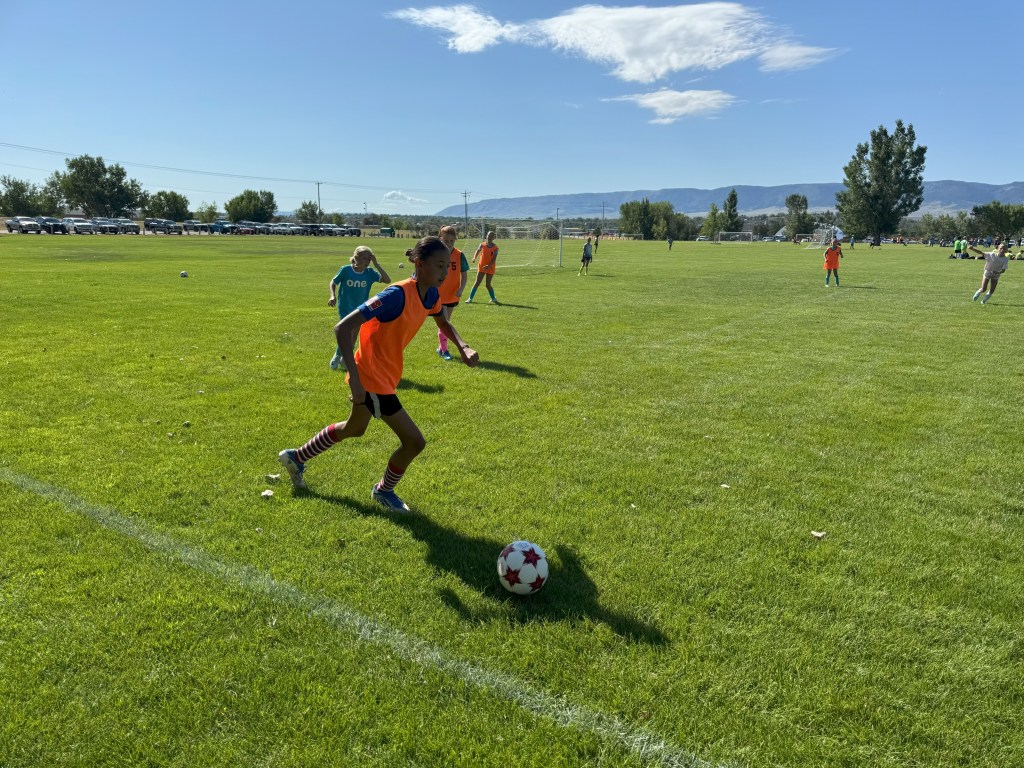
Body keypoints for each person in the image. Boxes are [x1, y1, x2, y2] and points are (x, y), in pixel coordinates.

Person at [279, 237, 479, 510]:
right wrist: (356, 381)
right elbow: (343, 328)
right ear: (419, 264)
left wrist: (463, 346)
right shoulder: (395, 295)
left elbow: (443, 322)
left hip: (385, 374)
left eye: (447, 266)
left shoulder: (431, 294)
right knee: (414, 442)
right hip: (371, 376)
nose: (445, 272)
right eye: (439, 266)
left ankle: (296, 457)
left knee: (354, 428)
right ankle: (384, 490)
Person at [328, 246, 390, 370]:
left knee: (354, 335)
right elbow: (333, 282)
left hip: (361, 309)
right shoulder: (346, 270)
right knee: (347, 332)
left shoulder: (370, 273)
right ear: (356, 257)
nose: (367, 262)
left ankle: (344, 359)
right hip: (345, 307)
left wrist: (376, 264)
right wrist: (332, 295)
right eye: (364, 258)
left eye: (369, 259)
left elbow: (387, 280)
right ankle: (338, 356)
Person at [435, 224, 469, 361]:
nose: (448, 244)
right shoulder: (436, 254)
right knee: (444, 322)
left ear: (455, 240)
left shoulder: (459, 255)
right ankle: (444, 350)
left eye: (451, 241)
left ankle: (440, 347)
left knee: (446, 322)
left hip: (452, 295)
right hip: (438, 294)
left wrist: (461, 290)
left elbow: (464, 275)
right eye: (445, 241)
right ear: (440, 239)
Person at [467, 231, 499, 304]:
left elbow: (494, 259)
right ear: (486, 236)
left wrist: (488, 266)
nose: (489, 237)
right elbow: (478, 251)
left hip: (490, 267)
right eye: (489, 235)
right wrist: (474, 258)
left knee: (488, 284)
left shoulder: (496, 248)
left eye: (491, 236)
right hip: (482, 266)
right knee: (477, 282)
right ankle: (470, 298)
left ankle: (493, 298)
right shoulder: (482, 244)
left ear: (493, 238)